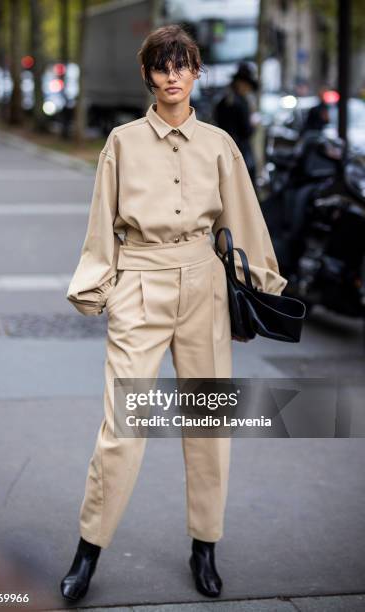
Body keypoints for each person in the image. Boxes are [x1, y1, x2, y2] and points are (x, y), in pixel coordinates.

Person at [60, 25, 287, 603]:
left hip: (205, 286)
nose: (172, 76)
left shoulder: (218, 144)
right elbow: (100, 222)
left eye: (182, 65)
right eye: (162, 66)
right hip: (138, 284)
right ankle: (88, 550)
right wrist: (99, 285)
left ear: (196, 73)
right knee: (123, 427)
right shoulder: (123, 142)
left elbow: (244, 218)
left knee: (208, 421)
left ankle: (204, 546)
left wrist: (261, 288)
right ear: (148, 75)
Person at [213, 62, 259, 186]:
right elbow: (247, 131)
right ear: (243, 83)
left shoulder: (223, 100)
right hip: (240, 151)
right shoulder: (241, 102)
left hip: (223, 150)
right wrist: (253, 124)